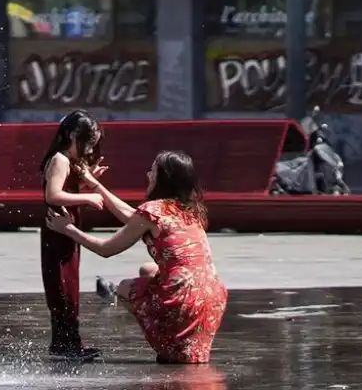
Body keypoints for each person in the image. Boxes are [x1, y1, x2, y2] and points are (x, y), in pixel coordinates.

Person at [46, 150, 228, 364]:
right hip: (212, 297)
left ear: (163, 178)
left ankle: (171, 343)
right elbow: (132, 217)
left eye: (153, 171)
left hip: (184, 300)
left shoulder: (152, 211)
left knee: (124, 288)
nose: (148, 174)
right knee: (148, 270)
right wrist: (93, 183)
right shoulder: (189, 211)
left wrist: (68, 229)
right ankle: (187, 343)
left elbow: (107, 249)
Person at [41, 109, 105, 362]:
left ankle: (67, 342)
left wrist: (89, 181)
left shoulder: (70, 161)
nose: (90, 150)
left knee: (70, 286)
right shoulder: (60, 160)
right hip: (57, 228)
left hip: (66, 228)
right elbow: (52, 195)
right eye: (87, 143)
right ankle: (66, 344)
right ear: (70, 136)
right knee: (62, 287)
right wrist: (88, 197)